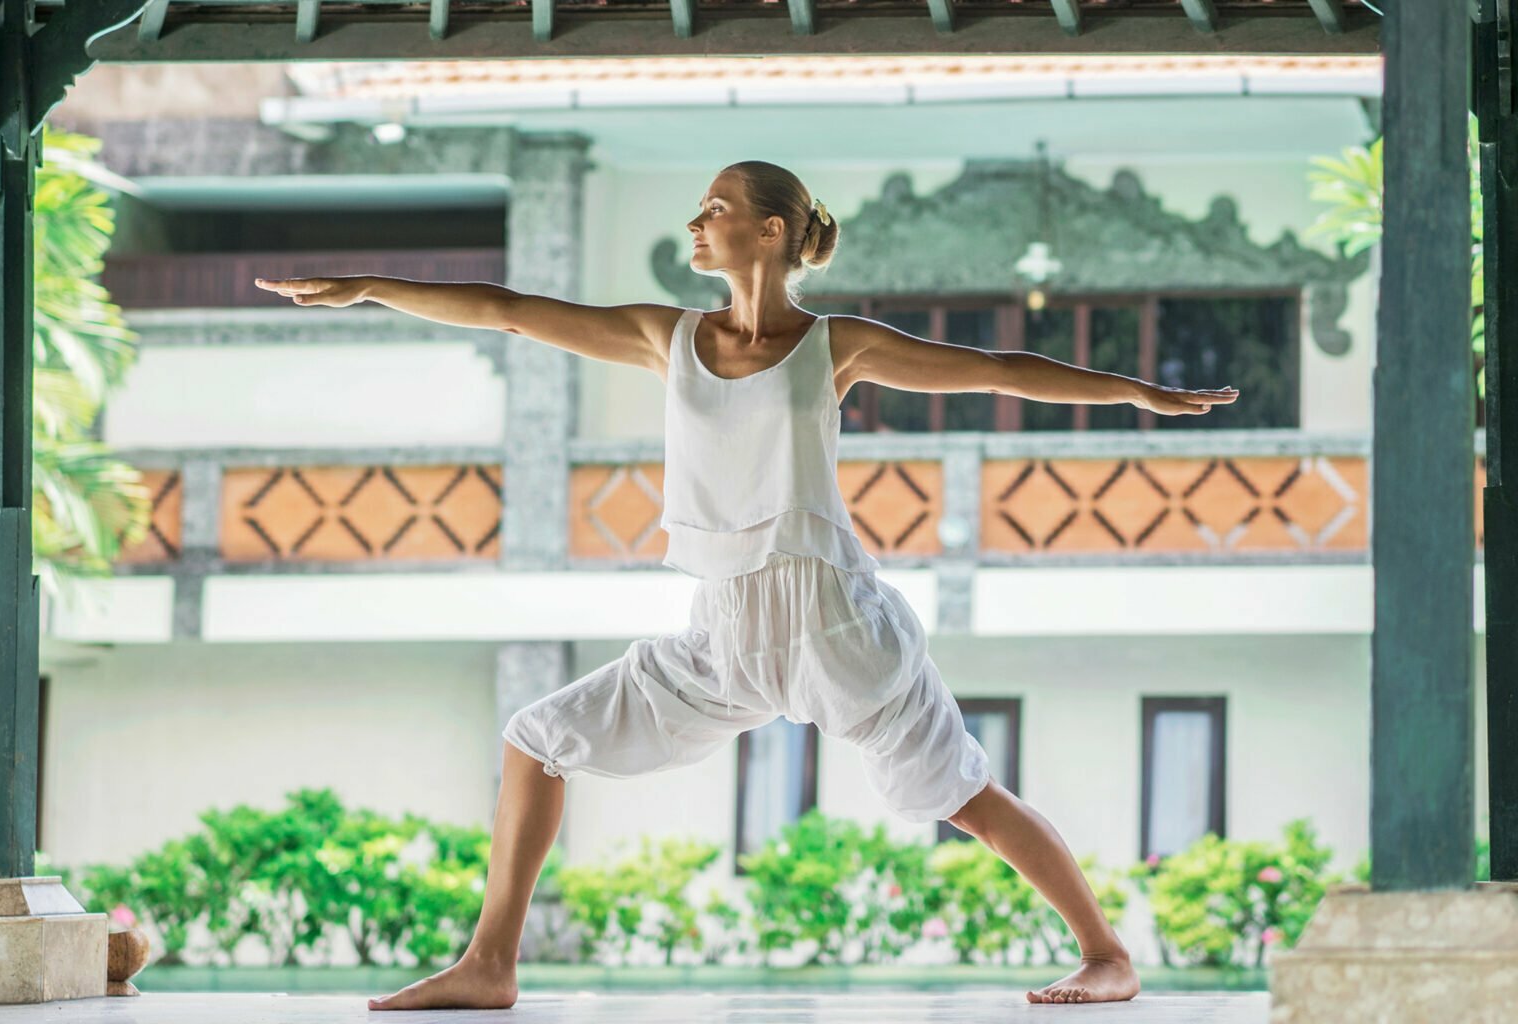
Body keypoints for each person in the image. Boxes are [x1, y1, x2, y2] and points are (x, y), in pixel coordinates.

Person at [255, 160, 1237, 1010]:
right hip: (720, 630)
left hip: (836, 622)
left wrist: (1140, 391)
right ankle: (490, 960)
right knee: (535, 738)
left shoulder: (832, 344)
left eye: (714, 207)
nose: (696, 222)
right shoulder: (665, 335)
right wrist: (373, 285)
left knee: (968, 797)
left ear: (771, 230)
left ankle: (1107, 955)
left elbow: (994, 369)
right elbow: (509, 310)